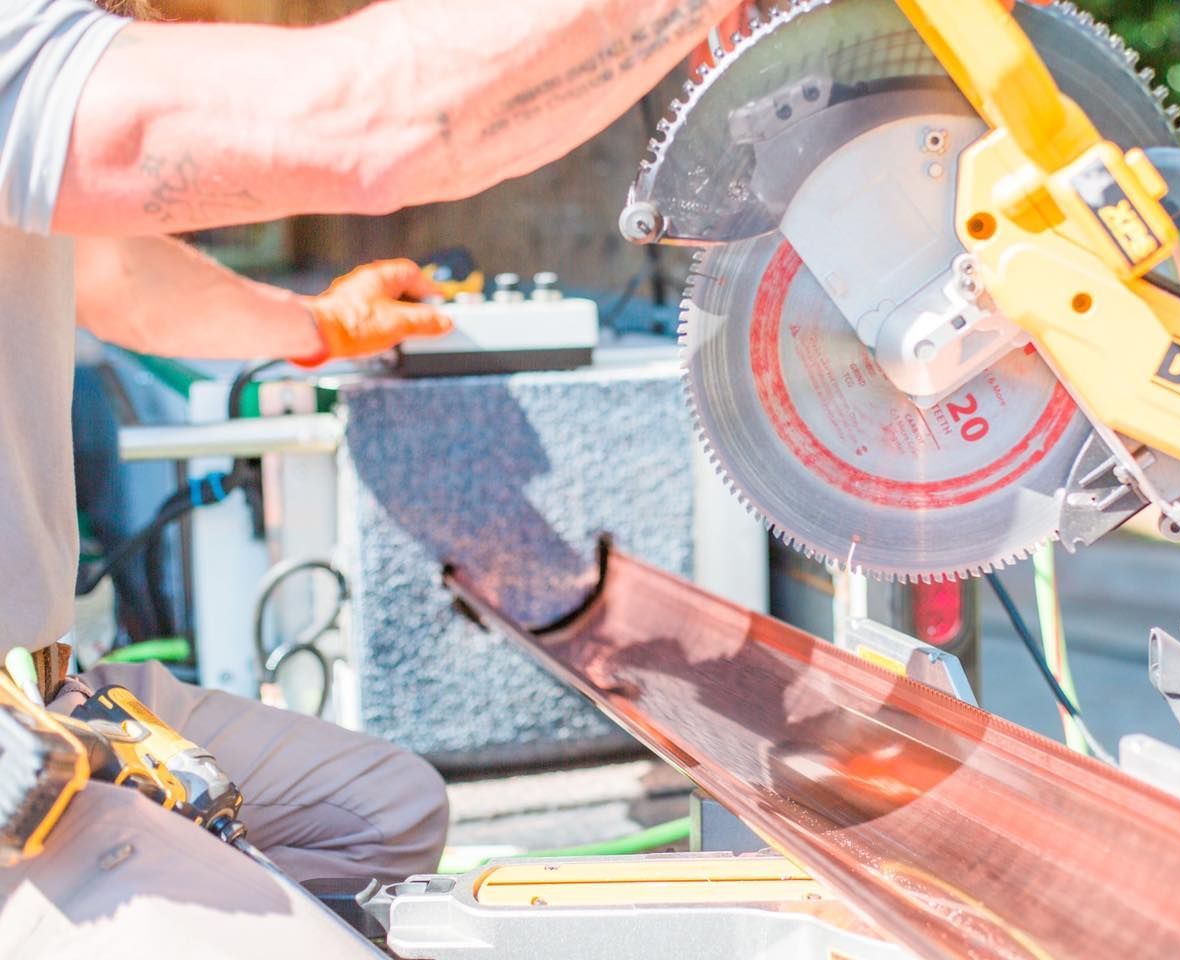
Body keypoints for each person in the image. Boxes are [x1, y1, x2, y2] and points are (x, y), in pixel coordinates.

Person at [0, 0, 729, 955]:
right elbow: (373, 122)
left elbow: (109, 270)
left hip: (41, 688)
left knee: (382, 814)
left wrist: (317, 329)